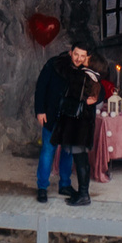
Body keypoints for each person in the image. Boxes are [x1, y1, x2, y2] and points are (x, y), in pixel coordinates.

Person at [33, 42, 101, 206]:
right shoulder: (54, 64)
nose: (78, 58)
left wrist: (98, 97)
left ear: (86, 57)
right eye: (76, 54)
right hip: (53, 114)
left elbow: (100, 86)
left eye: (82, 56)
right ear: (71, 52)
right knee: (48, 151)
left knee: (68, 152)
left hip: (72, 119)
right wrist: (40, 111)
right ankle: (42, 187)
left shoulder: (87, 70)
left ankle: (65, 184)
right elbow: (41, 86)